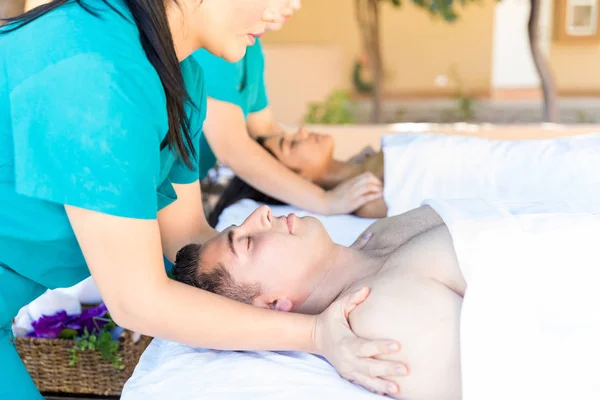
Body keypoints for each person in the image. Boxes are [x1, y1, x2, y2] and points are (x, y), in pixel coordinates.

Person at [0, 1, 405, 398]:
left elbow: (186, 238)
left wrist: (324, 283)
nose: (289, 8)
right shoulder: (97, 71)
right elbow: (136, 300)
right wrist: (316, 333)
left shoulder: (180, 77)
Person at [173, 205, 463, 399]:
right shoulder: (377, 321)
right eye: (247, 242)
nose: (261, 212)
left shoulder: (383, 231)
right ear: (274, 305)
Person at [193, 0, 383, 217]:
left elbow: (265, 131)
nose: (295, 5)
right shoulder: (216, 40)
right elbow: (232, 148)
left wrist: (342, 172)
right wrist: (325, 201)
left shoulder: (249, 46)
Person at [207, 128, 387, 227]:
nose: (302, 131)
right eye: (291, 144)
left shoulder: (375, 156)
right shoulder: (368, 198)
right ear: (298, 181)